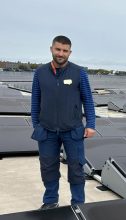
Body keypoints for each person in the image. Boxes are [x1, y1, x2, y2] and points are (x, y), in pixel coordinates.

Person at [30, 35, 96, 209]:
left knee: (76, 168)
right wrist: (36, 124)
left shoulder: (79, 72)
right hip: (47, 130)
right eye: (58, 49)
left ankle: (78, 204)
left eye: (65, 51)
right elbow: (35, 101)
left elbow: (87, 99)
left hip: (72, 130)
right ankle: (50, 201)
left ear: (70, 52)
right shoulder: (40, 73)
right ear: (51, 49)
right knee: (48, 168)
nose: (61, 53)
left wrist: (91, 124)